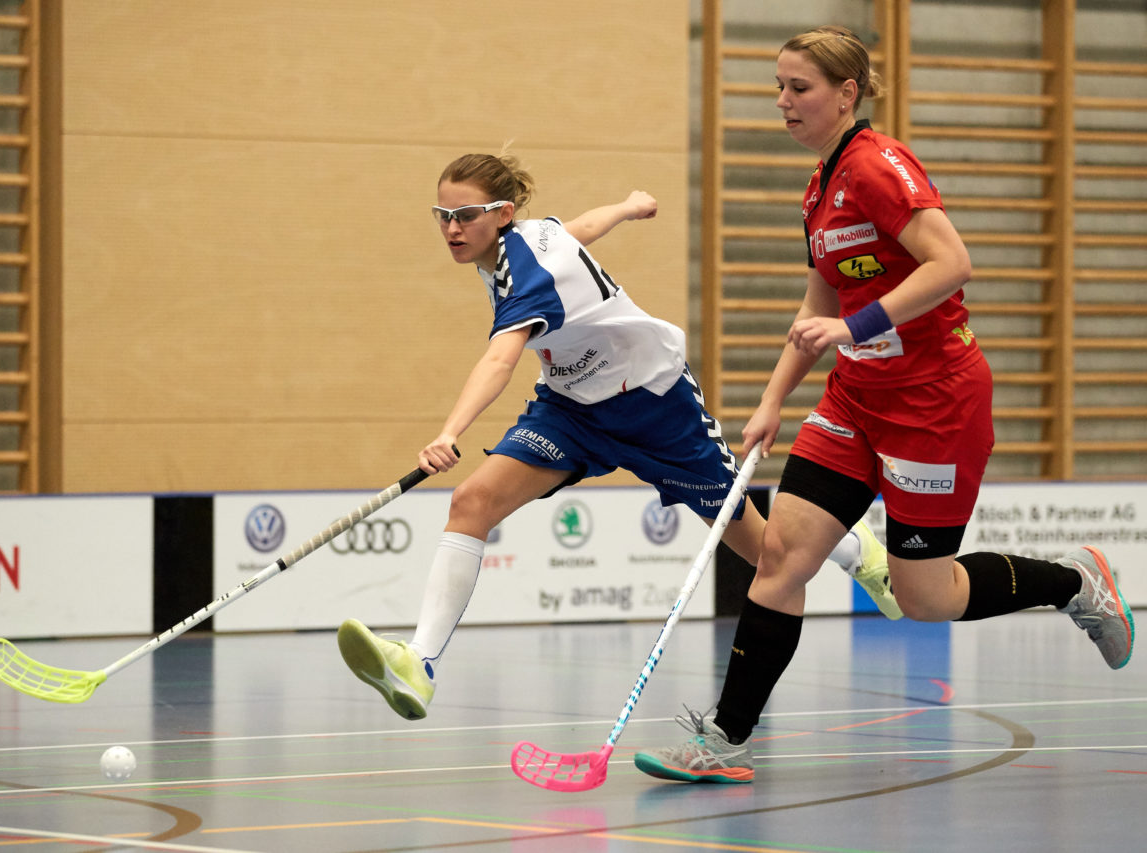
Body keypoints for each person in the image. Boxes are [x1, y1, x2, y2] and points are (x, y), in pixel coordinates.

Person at [633, 25, 1134, 785]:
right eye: (778, 86)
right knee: (779, 557)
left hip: (934, 403)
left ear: (846, 93)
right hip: (854, 399)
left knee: (923, 596)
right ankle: (726, 739)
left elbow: (952, 262)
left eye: (799, 88)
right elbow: (818, 305)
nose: (783, 101)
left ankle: (1074, 581)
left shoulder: (878, 167)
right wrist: (771, 401)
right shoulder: (818, 188)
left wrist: (852, 327)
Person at [336, 151, 900, 722]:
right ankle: (419, 663)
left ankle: (857, 553)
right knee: (472, 502)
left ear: (503, 213)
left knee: (766, 553)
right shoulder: (524, 240)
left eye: (466, 215)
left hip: (655, 408)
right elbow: (578, 229)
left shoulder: (528, 274)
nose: (452, 229)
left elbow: (501, 361)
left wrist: (450, 431)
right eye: (443, 215)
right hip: (572, 409)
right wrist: (627, 208)